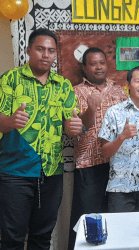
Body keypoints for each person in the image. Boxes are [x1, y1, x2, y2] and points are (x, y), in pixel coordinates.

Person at [0, 28, 82, 250]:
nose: (46, 55)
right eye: (40, 49)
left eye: (51, 51)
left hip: (52, 172)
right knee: (12, 239)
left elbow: (69, 125)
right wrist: (11, 121)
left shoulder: (63, 85)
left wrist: (73, 127)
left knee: (42, 237)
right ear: (28, 51)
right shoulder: (10, 79)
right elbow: (0, 121)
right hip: (15, 172)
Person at [67, 47, 128, 250]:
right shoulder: (75, 92)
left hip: (117, 165)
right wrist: (91, 109)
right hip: (88, 164)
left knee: (114, 218)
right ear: (84, 68)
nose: (99, 67)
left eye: (102, 62)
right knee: (86, 220)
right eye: (93, 63)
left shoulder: (119, 91)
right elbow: (77, 130)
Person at [98, 66, 139, 212]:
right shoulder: (114, 113)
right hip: (119, 189)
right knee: (120, 233)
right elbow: (104, 152)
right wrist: (122, 137)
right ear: (128, 85)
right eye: (138, 81)